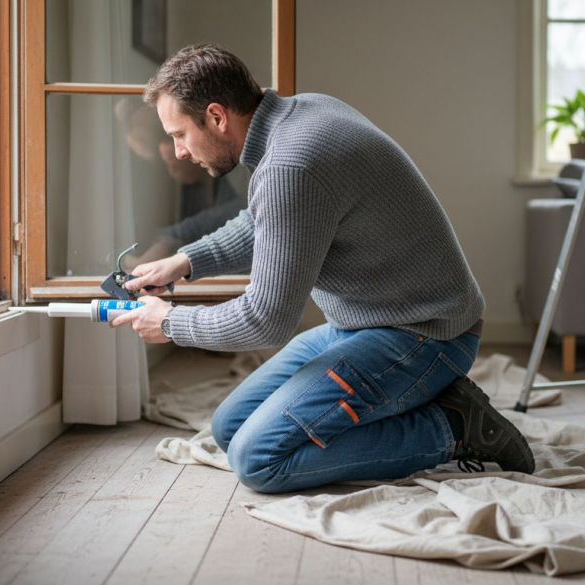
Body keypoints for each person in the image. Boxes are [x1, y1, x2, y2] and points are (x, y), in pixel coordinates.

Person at [111, 44, 534, 493]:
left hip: (424, 335)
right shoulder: (302, 111)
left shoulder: (291, 164)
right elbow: (267, 219)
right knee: (229, 427)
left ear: (216, 116)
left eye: (179, 135)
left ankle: (451, 427)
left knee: (258, 460)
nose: (178, 152)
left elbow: (264, 320)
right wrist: (185, 261)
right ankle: (410, 403)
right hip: (367, 322)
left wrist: (171, 323)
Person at [114, 98, 248, 267]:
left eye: (178, 136)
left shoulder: (236, 171)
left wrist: (170, 240)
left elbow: (246, 215)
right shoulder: (186, 193)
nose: (178, 153)